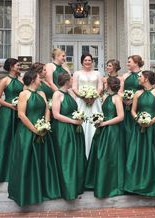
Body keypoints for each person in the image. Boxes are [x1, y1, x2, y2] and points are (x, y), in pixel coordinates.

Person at [8, 70, 61, 207]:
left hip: (43, 131)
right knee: (28, 161)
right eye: (38, 78)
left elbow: (47, 110)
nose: (40, 79)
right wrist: (35, 130)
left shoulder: (42, 93)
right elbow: (21, 115)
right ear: (32, 80)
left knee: (44, 160)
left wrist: (46, 125)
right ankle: (27, 192)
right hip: (27, 133)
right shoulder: (23, 94)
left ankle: (43, 190)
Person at [124, 70, 155, 197]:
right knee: (136, 155)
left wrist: (150, 122)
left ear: (146, 78)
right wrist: (138, 120)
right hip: (138, 127)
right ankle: (135, 185)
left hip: (154, 128)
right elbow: (133, 110)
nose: (138, 78)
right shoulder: (137, 93)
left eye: (140, 76)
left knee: (154, 155)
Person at [85, 77, 125, 198]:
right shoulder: (107, 97)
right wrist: (99, 120)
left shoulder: (117, 98)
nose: (103, 84)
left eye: (105, 83)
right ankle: (99, 183)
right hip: (103, 129)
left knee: (110, 157)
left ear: (109, 85)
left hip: (112, 131)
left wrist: (104, 123)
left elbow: (121, 116)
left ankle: (111, 186)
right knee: (101, 156)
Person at [52, 72, 87, 200]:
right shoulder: (57, 94)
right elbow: (56, 114)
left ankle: (76, 186)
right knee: (66, 157)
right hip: (63, 130)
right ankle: (67, 189)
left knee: (75, 157)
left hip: (74, 130)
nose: (73, 81)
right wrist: (74, 121)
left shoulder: (70, 93)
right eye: (71, 79)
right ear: (66, 81)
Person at [0, 58, 23, 184]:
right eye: (18, 65)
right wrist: (10, 105)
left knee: (16, 140)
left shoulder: (20, 81)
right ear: (11, 66)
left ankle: (13, 171)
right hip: (7, 113)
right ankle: (0, 173)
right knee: (4, 140)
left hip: (19, 112)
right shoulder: (4, 80)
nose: (20, 67)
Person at [72, 53, 103, 158]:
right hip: (81, 101)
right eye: (85, 60)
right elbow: (74, 88)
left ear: (92, 62)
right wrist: (83, 97)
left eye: (89, 60)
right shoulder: (77, 73)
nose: (88, 62)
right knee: (82, 121)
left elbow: (100, 87)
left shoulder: (98, 73)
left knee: (95, 121)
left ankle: (95, 149)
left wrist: (94, 97)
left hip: (95, 101)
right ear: (82, 62)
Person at [121, 55, 143, 147]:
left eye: (129, 62)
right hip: (125, 106)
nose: (127, 64)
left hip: (138, 106)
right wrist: (124, 98)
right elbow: (120, 91)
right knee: (126, 130)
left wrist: (134, 99)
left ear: (136, 63)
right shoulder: (125, 75)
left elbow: (146, 90)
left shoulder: (143, 75)